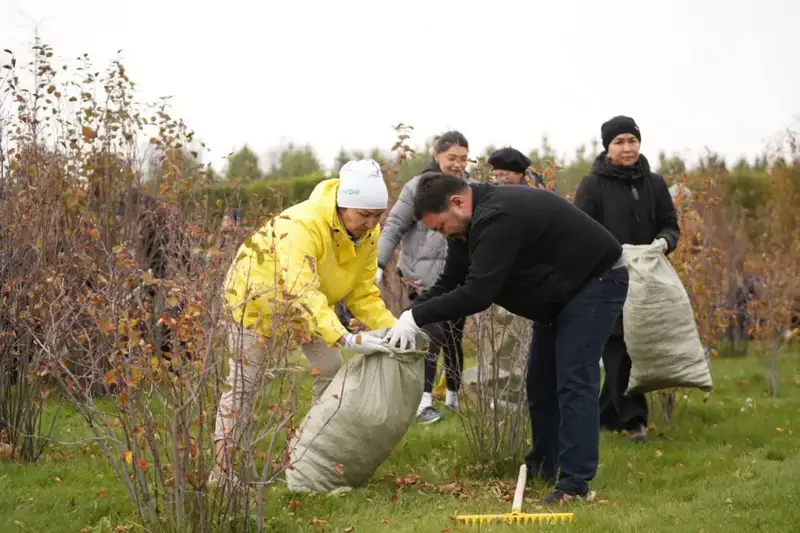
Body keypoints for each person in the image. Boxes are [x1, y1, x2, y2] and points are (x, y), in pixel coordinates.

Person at [384, 173, 628, 504]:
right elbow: (450, 282)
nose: (444, 234)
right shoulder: (466, 226)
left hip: (596, 281)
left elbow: (478, 293)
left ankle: (574, 484)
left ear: (457, 202)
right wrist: (409, 317)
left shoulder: (498, 217)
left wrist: (418, 316)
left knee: (574, 378)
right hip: (559, 294)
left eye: (441, 226)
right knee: (540, 385)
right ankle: (543, 468)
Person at [212, 159, 397, 485]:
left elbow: (363, 292)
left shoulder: (367, 234)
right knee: (245, 383)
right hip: (254, 302)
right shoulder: (301, 225)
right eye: (364, 215)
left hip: (312, 307)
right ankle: (223, 475)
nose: (371, 223)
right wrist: (347, 338)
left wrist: (394, 331)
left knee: (332, 372)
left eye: (377, 216)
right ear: (343, 205)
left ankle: (312, 457)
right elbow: (300, 288)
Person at [574, 116, 680, 441]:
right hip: (608, 279)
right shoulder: (592, 185)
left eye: (632, 141)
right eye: (619, 142)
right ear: (607, 147)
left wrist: (664, 242)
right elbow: (580, 231)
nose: (627, 148)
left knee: (636, 349)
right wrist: (607, 256)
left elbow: (670, 224)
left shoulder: (655, 183)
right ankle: (634, 421)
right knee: (620, 348)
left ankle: (606, 413)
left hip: (648, 281)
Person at [376, 131, 471, 425]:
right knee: (430, 336)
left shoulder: (469, 189)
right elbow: (394, 225)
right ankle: (422, 402)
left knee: (454, 337)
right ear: (436, 155)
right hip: (420, 278)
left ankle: (453, 396)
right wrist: (379, 263)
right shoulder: (417, 188)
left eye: (463, 159)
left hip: (457, 277)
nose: (457, 164)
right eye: (451, 158)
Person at [487, 147, 551, 191]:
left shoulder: (544, 191)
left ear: (519, 174)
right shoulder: (492, 192)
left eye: (502, 174)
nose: (498, 180)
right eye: (496, 176)